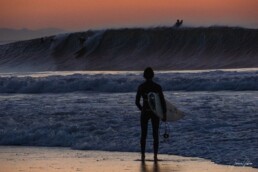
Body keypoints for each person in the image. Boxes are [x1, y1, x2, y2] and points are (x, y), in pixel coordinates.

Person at [135, 67, 167, 162]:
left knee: (143, 134)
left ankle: (143, 155)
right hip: (155, 112)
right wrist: (164, 114)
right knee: (155, 134)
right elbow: (162, 102)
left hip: (145, 112)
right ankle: (155, 156)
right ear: (153, 75)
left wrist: (142, 110)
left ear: (144, 76)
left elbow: (137, 102)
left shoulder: (141, 87)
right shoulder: (157, 87)